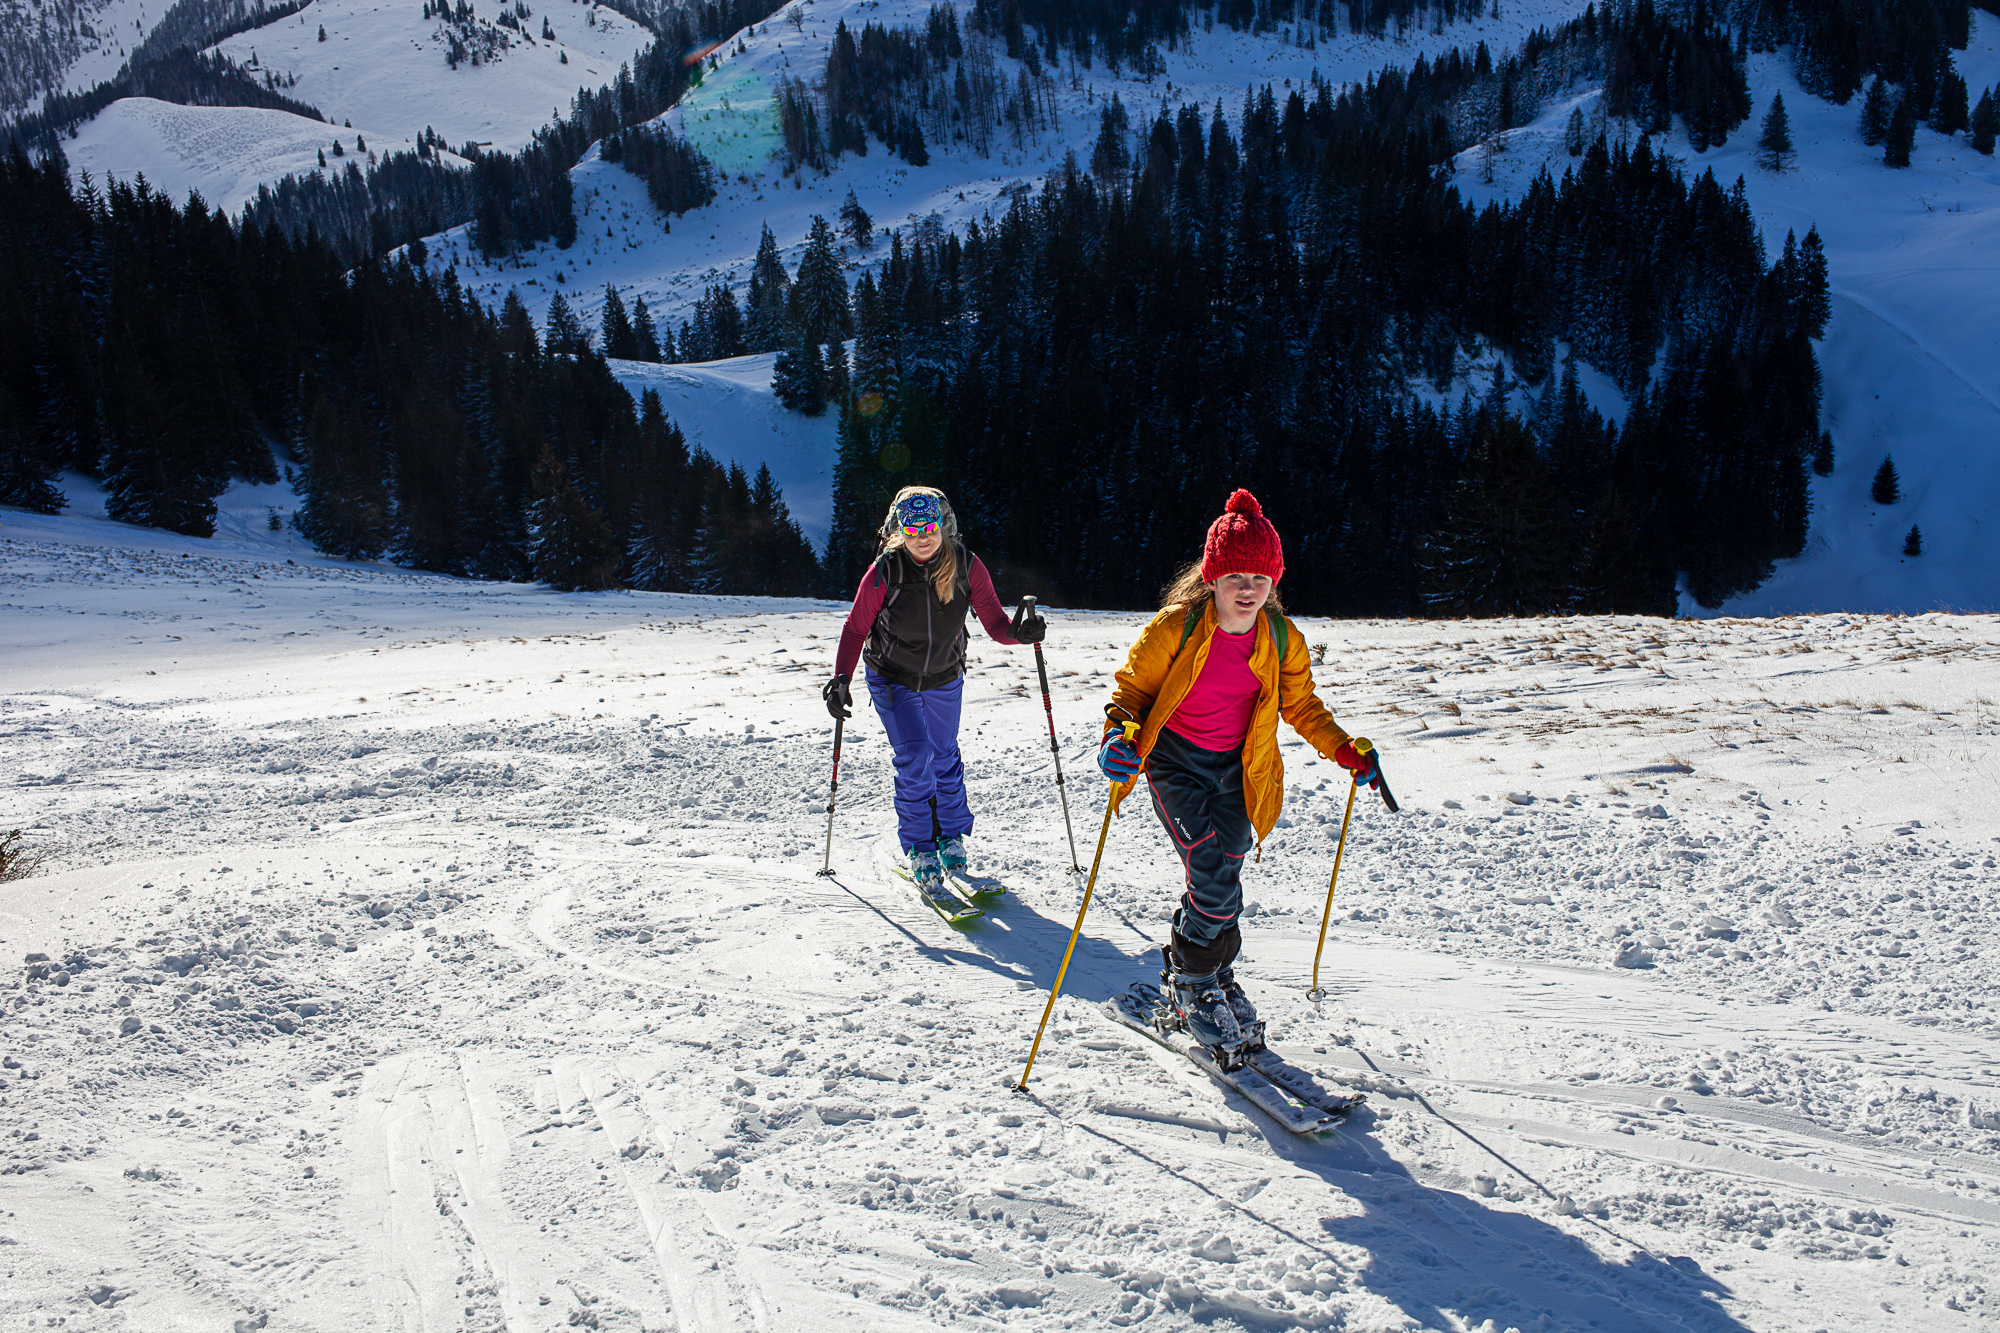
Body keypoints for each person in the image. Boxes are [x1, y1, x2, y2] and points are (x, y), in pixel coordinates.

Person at [1097, 489, 1383, 1053]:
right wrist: (1117, 738)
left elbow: (1301, 706)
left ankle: (1212, 969)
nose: (1248, 588)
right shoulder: (1176, 627)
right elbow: (1130, 694)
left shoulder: (1281, 638)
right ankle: (1194, 981)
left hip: (1236, 767)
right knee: (1210, 866)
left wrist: (1344, 748)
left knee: (1227, 866)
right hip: (1173, 760)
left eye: (1260, 576)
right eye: (1235, 576)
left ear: (1274, 580)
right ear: (1212, 579)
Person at [823, 487, 1043, 909]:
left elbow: (996, 624)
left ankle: (950, 839)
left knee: (944, 754)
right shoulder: (884, 572)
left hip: (944, 675)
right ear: (899, 532)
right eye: (913, 529)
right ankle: (921, 848)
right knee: (917, 754)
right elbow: (855, 629)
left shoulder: (966, 565)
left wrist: (1020, 633)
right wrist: (841, 679)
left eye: (930, 527)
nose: (923, 537)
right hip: (893, 676)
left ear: (942, 526)